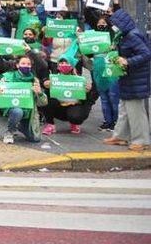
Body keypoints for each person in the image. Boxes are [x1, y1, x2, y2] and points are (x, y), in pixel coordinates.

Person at [103, 8, 151, 152]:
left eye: (115, 24)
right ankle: (121, 136)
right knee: (125, 107)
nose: (113, 27)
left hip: (137, 77)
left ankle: (142, 140)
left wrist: (128, 61)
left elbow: (146, 54)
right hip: (129, 76)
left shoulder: (132, 36)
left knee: (136, 110)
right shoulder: (125, 35)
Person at [0, 54, 48, 144]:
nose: (26, 66)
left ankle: (20, 126)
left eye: (28, 64)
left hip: (29, 113)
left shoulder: (34, 80)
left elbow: (43, 103)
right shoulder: (8, 77)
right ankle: (10, 131)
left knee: (35, 139)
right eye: (23, 63)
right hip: (13, 108)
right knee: (17, 111)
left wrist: (40, 93)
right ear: (17, 65)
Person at [42, 55, 97, 135]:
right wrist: (46, 87)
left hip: (73, 106)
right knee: (45, 99)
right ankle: (50, 124)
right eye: (61, 63)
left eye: (67, 63)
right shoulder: (53, 79)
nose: (64, 65)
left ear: (72, 65)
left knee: (76, 116)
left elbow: (87, 100)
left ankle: (74, 123)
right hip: (58, 107)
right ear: (57, 66)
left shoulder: (80, 80)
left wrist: (88, 91)